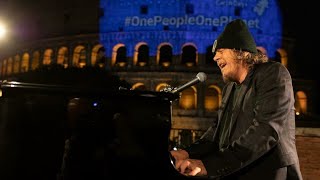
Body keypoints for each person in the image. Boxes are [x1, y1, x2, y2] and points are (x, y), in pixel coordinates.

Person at [170, 18, 303, 180]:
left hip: (267, 173)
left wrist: (208, 165)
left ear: (240, 51)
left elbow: (265, 130)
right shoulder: (230, 88)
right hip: (236, 171)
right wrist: (185, 153)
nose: (215, 58)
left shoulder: (273, 74)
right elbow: (215, 134)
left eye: (220, 51)